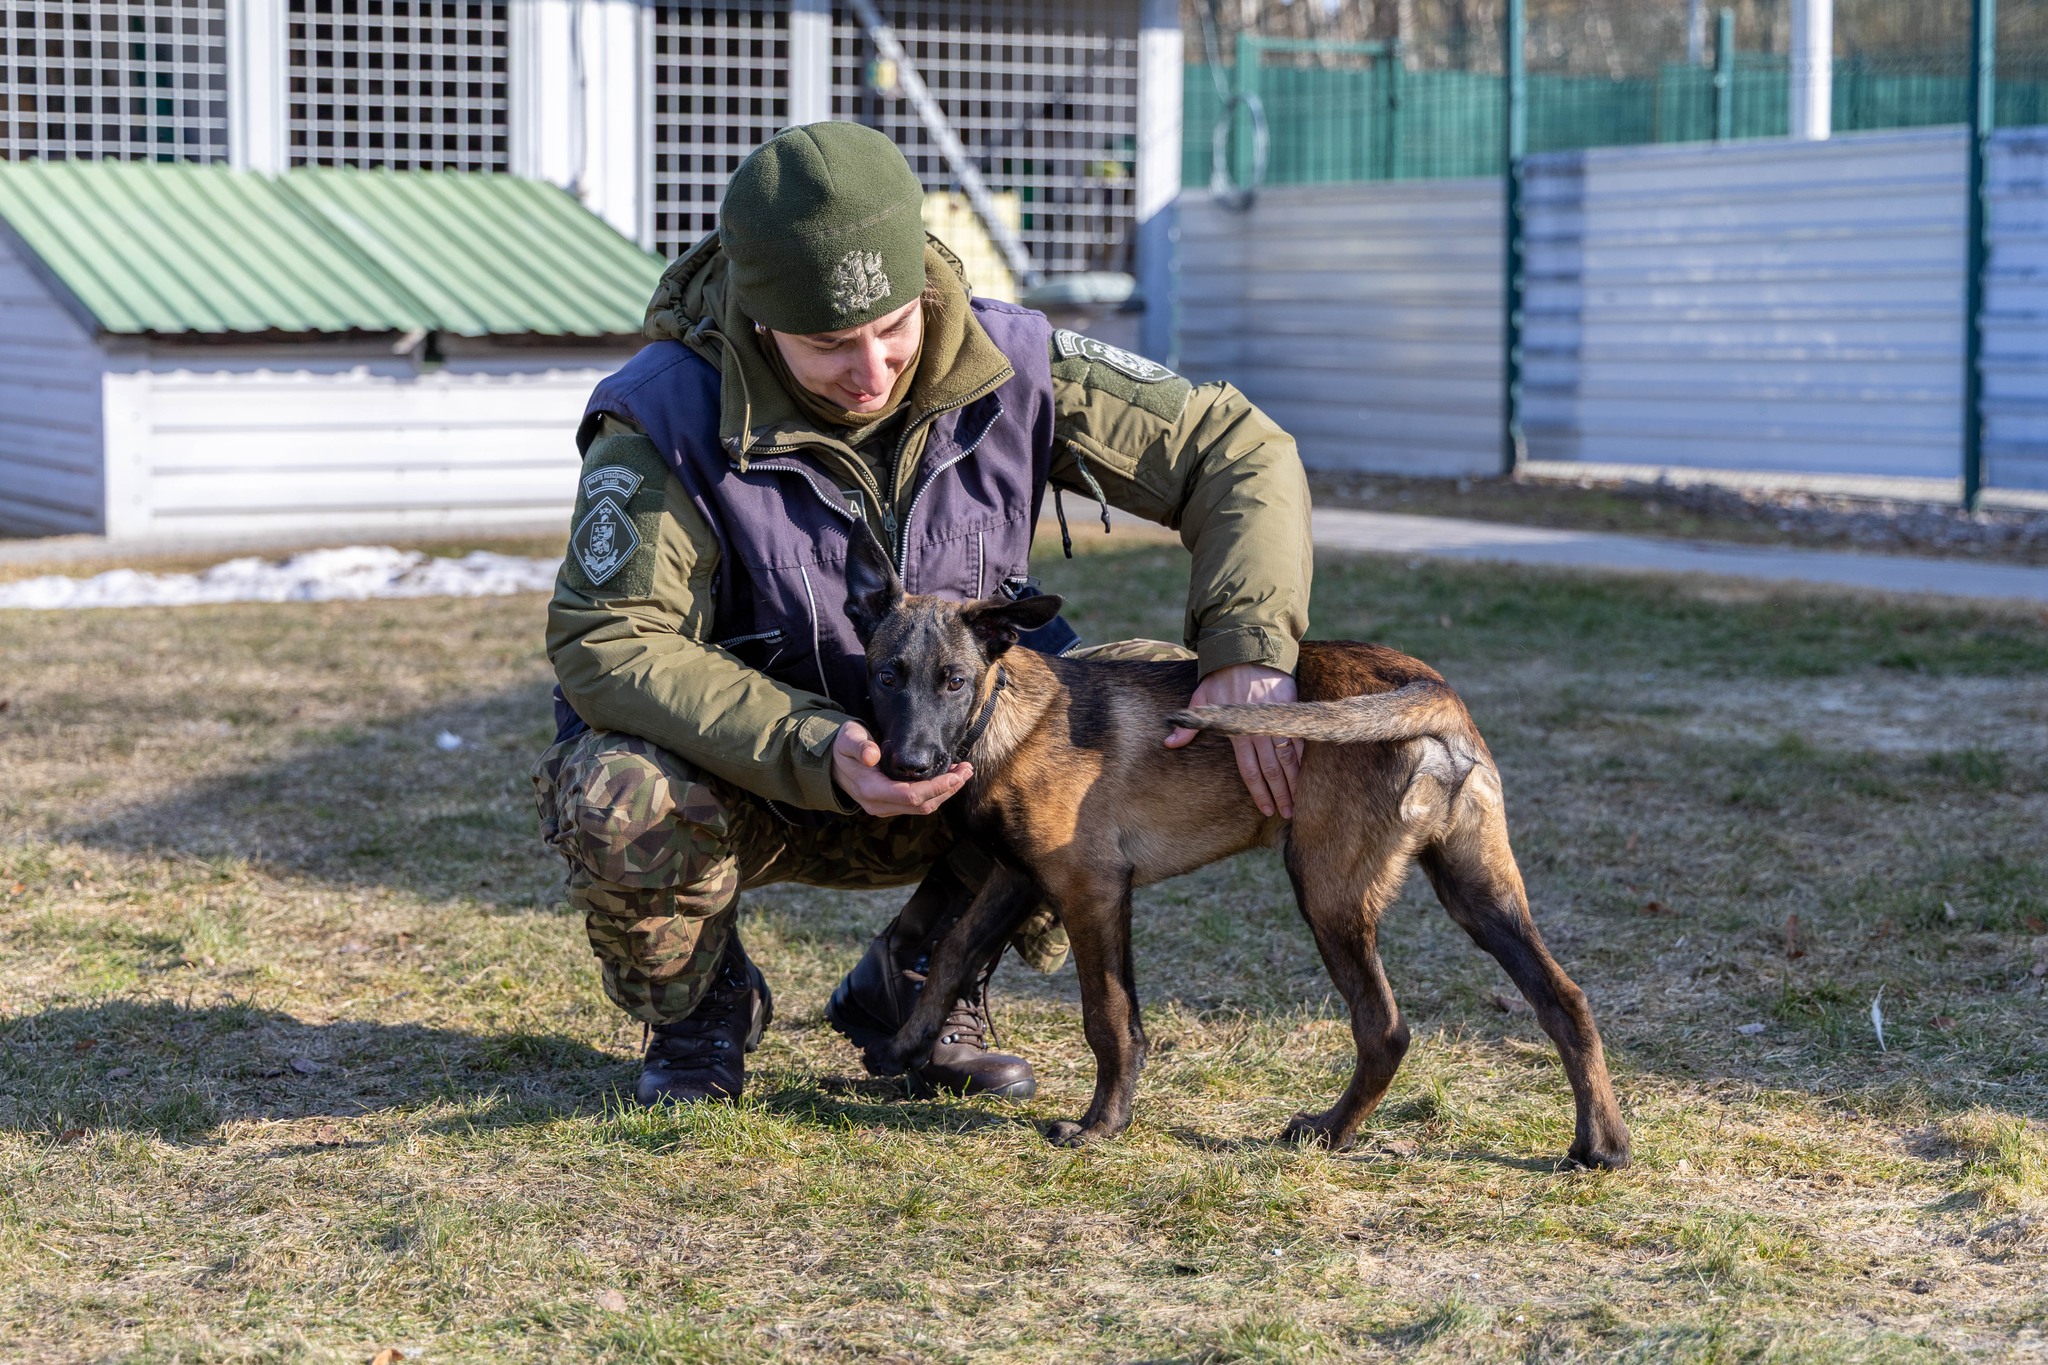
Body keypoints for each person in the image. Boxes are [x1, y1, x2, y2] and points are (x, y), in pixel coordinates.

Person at [533, 122, 1311, 1106]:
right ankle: (701, 1011)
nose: (872, 371)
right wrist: (814, 746)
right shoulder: (666, 417)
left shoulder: (1011, 359)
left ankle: (923, 979)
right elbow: (610, 639)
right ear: (759, 320)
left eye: (893, 325)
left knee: (1152, 717)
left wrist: (1248, 649)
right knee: (620, 793)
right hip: (756, 783)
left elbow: (1235, 449)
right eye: (828, 345)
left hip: (963, 772)